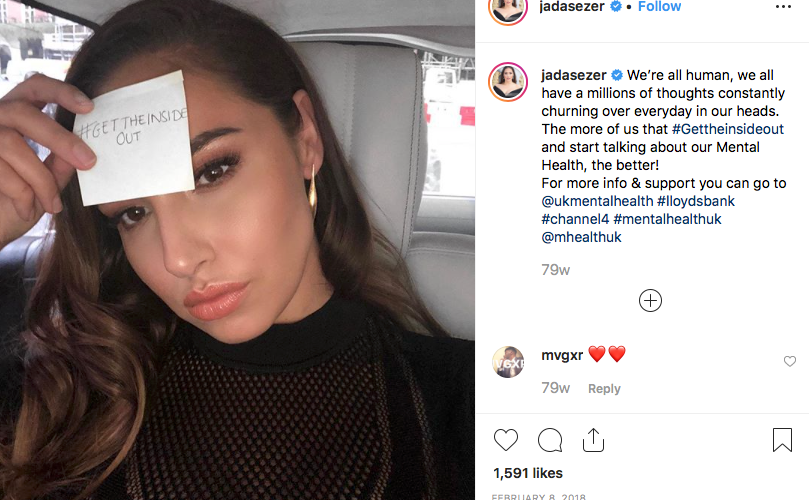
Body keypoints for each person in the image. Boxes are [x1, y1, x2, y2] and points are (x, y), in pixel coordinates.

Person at [0, 0, 474, 498]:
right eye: (133, 213)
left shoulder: (472, 407)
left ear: (306, 139)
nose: (178, 259)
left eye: (212, 172)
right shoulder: (65, 400)